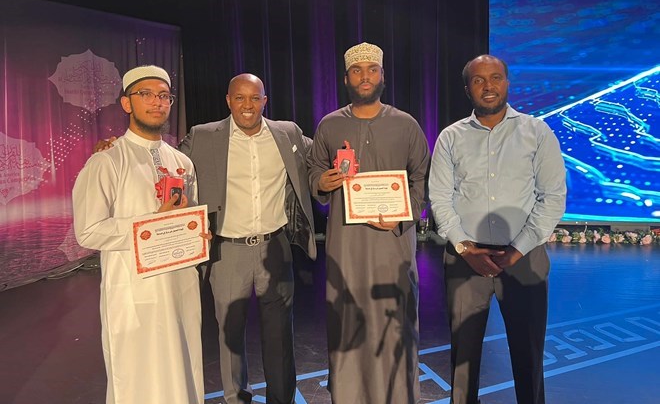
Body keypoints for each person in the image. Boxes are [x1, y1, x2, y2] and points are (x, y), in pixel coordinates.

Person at [428, 54, 567, 404]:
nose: (488, 86)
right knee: (463, 357)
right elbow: (440, 198)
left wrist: (517, 250)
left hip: (524, 257)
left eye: (495, 78)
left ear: (507, 83)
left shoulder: (537, 132)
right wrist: (464, 247)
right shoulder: (450, 137)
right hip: (465, 259)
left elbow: (552, 196)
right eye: (478, 80)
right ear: (467, 89)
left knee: (529, 353)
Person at [179, 73, 316, 404]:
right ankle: (236, 398)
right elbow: (167, 166)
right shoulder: (203, 136)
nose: (247, 105)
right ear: (228, 101)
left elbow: (322, 154)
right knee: (230, 335)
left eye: (255, 98)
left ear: (264, 101)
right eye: (239, 98)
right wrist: (118, 148)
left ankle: (281, 399)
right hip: (228, 251)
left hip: (275, 247)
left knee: (279, 334)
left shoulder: (288, 133)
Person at [73, 65, 207, 404]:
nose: (157, 102)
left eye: (164, 96)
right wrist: (150, 224)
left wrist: (198, 235)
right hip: (135, 290)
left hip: (180, 285)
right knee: (138, 379)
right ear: (126, 103)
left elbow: (186, 217)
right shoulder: (107, 161)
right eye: (146, 94)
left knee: (184, 369)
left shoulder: (182, 162)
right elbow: (88, 231)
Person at [308, 42, 430, 403]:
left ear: (382, 75)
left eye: (372, 70)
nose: (365, 77)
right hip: (346, 246)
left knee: (397, 321)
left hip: (393, 243)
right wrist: (322, 181)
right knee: (347, 319)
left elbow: (422, 178)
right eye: (357, 71)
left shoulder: (405, 124)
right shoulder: (330, 125)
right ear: (346, 78)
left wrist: (404, 214)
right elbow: (314, 170)